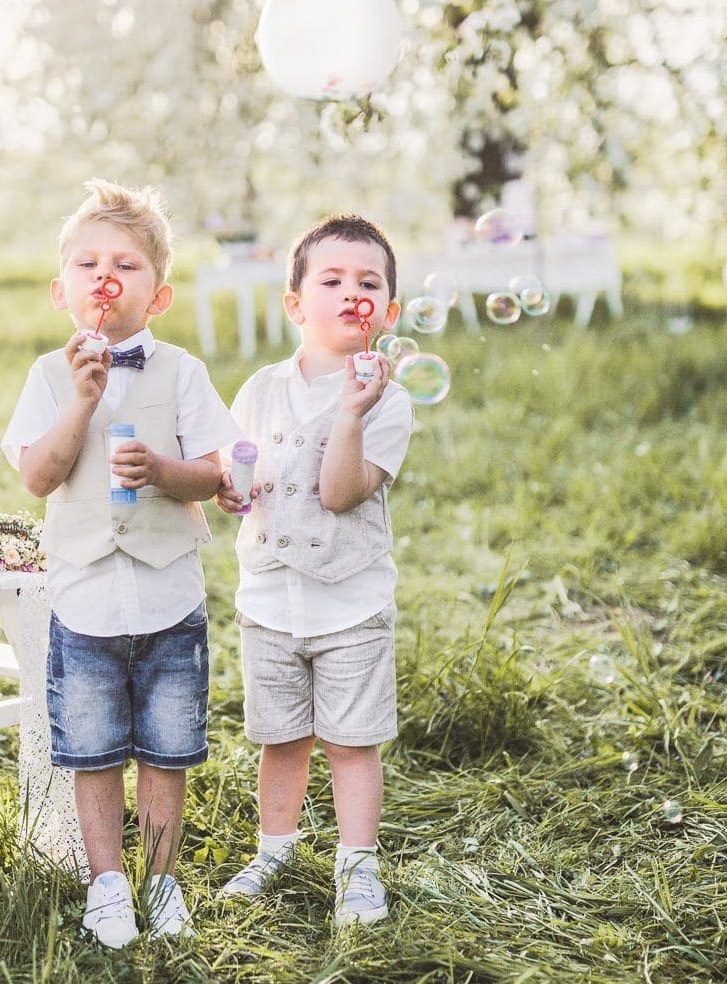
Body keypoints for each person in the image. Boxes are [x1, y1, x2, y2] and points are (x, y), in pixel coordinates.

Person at [2, 178, 241, 948]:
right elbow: (39, 476)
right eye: (89, 262)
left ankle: (162, 882)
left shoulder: (185, 372)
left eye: (128, 264)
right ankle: (108, 884)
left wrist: (164, 474)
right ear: (61, 288)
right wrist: (80, 402)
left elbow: (218, 470)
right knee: (94, 750)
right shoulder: (47, 376)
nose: (107, 276)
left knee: (167, 750)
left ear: (159, 295)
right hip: (84, 599)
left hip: (170, 596)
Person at [214, 214, 413, 927]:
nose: (350, 293)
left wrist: (352, 413)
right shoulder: (261, 387)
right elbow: (237, 465)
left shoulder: (390, 401)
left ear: (387, 314)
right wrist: (228, 486)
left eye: (368, 283)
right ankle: (275, 849)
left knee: (351, 744)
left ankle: (358, 868)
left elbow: (338, 492)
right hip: (268, 599)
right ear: (296, 304)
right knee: (281, 739)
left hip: (349, 605)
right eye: (331, 280)